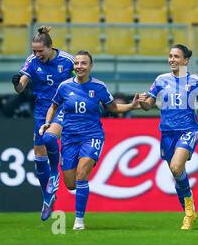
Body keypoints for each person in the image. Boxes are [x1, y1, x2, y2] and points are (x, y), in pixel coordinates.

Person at [39, 50, 140, 230]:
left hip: (92, 136)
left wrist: (131, 106)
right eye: (77, 63)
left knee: (82, 175)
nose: (79, 66)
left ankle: (79, 220)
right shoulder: (64, 86)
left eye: (83, 63)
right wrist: (47, 123)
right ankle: (59, 180)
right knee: (70, 184)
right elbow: (53, 106)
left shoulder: (99, 87)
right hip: (70, 138)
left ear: (90, 66)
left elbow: (113, 107)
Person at [137, 44, 198, 230]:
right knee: (177, 174)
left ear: (186, 60)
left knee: (177, 167)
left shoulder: (195, 82)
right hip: (167, 133)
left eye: (176, 56)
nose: (172, 60)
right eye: (170, 56)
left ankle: (188, 213)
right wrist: (142, 103)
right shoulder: (161, 80)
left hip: (188, 130)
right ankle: (189, 210)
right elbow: (149, 105)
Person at [12, 26, 74, 221]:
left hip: (62, 107)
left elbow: (81, 77)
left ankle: (55, 171)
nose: (37, 55)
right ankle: (47, 196)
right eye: (34, 51)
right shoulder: (31, 61)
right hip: (41, 108)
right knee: (38, 153)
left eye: (40, 51)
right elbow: (21, 87)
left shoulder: (67, 60)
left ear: (50, 47)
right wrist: (16, 83)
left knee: (49, 138)